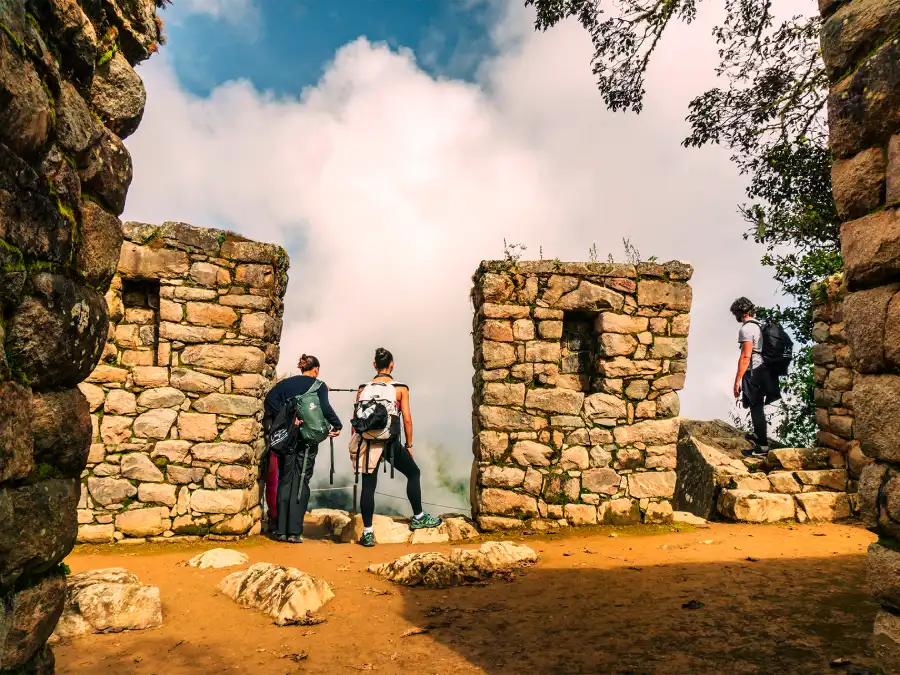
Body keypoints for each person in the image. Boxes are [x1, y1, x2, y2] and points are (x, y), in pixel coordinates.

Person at [349, 347, 442, 547]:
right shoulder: (400, 388)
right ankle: (418, 517)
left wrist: (356, 443)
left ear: (374, 365)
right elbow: (407, 419)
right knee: (413, 473)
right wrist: (409, 445)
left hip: (366, 441)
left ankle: (368, 533)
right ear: (392, 365)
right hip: (389, 441)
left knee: (368, 486)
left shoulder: (363, 388)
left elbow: (356, 419)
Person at [263, 354, 342, 543]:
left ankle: (281, 530)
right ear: (316, 370)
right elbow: (325, 408)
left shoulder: (284, 385)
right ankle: (294, 532)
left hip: (287, 439)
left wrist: (288, 419)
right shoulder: (319, 385)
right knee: (301, 480)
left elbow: (270, 401)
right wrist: (337, 425)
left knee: (285, 479)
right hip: (307, 440)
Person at [730, 297, 781, 458]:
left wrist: (737, 381)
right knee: (756, 405)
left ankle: (762, 447)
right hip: (765, 370)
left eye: (735, 313)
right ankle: (759, 436)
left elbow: (746, 356)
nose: (735, 317)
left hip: (754, 372)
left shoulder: (746, 329)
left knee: (756, 407)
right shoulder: (761, 325)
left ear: (740, 312)